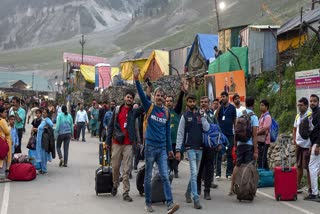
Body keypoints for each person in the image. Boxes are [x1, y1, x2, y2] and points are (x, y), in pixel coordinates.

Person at [134, 67, 179, 214]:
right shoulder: (150, 107)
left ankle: (170, 204)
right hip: (150, 148)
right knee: (148, 177)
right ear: (154, 96)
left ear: (164, 98)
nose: (159, 97)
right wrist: (136, 80)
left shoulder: (166, 112)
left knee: (165, 176)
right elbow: (141, 94)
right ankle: (148, 203)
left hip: (161, 150)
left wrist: (170, 149)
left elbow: (167, 133)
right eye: (157, 95)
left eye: (161, 96)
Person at [106, 90, 144, 202]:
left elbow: (144, 108)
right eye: (128, 97)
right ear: (124, 98)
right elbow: (111, 126)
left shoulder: (134, 112)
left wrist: (146, 95)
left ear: (133, 100)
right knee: (116, 167)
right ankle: (115, 184)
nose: (129, 99)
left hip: (128, 144)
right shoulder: (117, 110)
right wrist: (108, 142)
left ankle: (126, 192)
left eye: (131, 98)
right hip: (117, 143)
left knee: (127, 169)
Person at [176, 94, 210, 209]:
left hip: (200, 148)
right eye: (190, 101)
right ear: (187, 103)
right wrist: (178, 150)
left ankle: (188, 192)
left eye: (193, 101)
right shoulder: (184, 116)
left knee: (194, 174)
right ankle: (196, 198)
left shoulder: (200, 115)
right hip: (190, 148)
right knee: (194, 173)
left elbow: (207, 128)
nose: (192, 103)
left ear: (195, 102)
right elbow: (180, 134)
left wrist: (203, 116)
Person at [229, 97, 259, 195]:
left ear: (245, 104)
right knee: (249, 167)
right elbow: (255, 135)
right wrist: (255, 150)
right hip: (249, 145)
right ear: (253, 104)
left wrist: (235, 145)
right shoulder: (254, 117)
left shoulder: (240, 114)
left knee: (237, 166)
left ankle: (231, 188)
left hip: (240, 144)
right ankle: (248, 190)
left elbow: (236, 132)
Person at [197, 96, 218, 200]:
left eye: (205, 102)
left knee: (209, 168)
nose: (203, 103)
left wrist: (218, 143)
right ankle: (197, 188)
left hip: (210, 145)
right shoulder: (196, 113)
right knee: (199, 168)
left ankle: (207, 191)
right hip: (199, 145)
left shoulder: (211, 115)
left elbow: (217, 128)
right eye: (201, 102)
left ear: (209, 103)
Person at [165, 82, 186, 178]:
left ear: (172, 103)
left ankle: (175, 168)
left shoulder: (176, 111)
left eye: (170, 101)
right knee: (169, 158)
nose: (169, 102)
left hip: (176, 140)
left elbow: (180, 101)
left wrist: (182, 91)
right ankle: (171, 169)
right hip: (166, 140)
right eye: (167, 101)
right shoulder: (162, 112)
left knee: (178, 156)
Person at [215, 92, 237, 180]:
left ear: (228, 97)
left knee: (229, 154)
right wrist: (219, 106)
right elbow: (216, 117)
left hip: (230, 134)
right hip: (221, 134)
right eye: (221, 97)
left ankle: (229, 173)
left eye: (224, 96)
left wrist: (235, 132)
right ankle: (218, 174)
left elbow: (235, 120)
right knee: (219, 153)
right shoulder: (220, 108)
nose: (222, 98)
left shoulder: (232, 108)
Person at [293, 97, 312, 194]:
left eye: (301, 105)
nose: (299, 107)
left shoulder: (310, 116)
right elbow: (294, 128)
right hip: (299, 145)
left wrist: (312, 145)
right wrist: (294, 140)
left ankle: (311, 188)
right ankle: (297, 186)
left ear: (306, 105)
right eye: (298, 105)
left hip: (307, 145)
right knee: (299, 166)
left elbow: (313, 131)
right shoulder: (297, 116)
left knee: (308, 167)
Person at [304, 94, 320, 201]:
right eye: (311, 101)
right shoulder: (314, 114)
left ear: (318, 102)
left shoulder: (319, 113)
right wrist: (311, 144)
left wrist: (318, 145)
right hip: (314, 143)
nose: (312, 103)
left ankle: (314, 193)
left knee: (312, 167)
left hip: (318, 144)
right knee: (315, 168)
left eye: (314, 101)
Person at [35, 108, 53, 174]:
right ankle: (42, 169)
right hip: (39, 141)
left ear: (47, 114)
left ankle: (44, 170)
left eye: (45, 112)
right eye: (43, 112)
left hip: (43, 141)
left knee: (43, 155)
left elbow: (51, 124)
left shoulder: (47, 120)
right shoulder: (43, 120)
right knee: (41, 154)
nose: (43, 113)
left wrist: (47, 124)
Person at [257, 100, 272, 169]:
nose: (261, 107)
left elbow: (265, 128)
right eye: (260, 105)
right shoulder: (262, 116)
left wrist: (256, 133)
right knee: (263, 158)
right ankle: (267, 174)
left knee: (262, 158)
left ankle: (262, 172)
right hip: (260, 140)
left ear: (267, 107)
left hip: (265, 141)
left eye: (262, 105)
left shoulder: (267, 116)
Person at [0, 107, 12, 182]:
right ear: (1, 113)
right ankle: (2, 177)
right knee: (4, 157)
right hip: (4, 141)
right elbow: (7, 131)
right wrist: (9, 126)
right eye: (5, 112)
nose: (6, 114)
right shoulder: (2, 120)